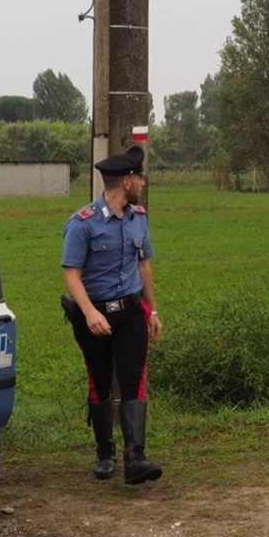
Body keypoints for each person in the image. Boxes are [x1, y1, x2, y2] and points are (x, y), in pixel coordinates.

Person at [60, 145, 163, 484]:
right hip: (96, 316)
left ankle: (136, 457)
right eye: (139, 178)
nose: (143, 183)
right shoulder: (83, 223)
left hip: (131, 312)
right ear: (126, 182)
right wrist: (89, 313)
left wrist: (153, 310)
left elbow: (144, 265)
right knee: (100, 382)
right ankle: (105, 451)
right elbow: (71, 272)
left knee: (133, 381)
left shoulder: (139, 218)